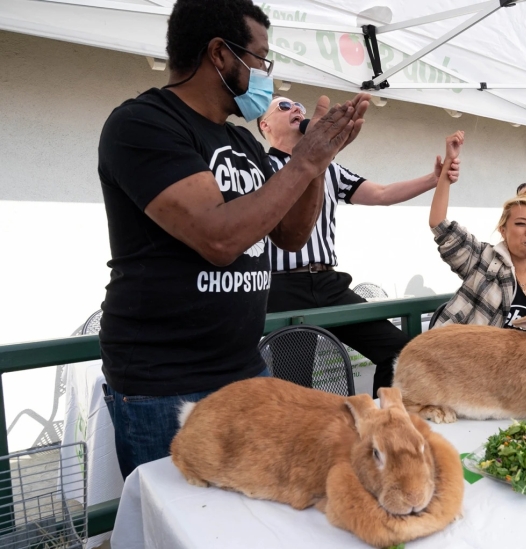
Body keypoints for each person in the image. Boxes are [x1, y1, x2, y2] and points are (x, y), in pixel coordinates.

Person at [97, 0, 370, 478]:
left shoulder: (243, 141)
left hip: (245, 369)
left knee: (257, 508)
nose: (266, 73)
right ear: (220, 54)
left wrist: (318, 162)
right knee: (180, 515)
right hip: (165, 385)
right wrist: (304, 160)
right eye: (261, 58)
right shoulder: (144, 124)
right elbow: (219, 240)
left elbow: (291, 234)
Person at [258, 97, 460, 397]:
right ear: (265, 125)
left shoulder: (330, 169)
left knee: (398, 352)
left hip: (328, 282)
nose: (297, 109)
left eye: (299, 105)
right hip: (283, 286)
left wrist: (434, 178)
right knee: (295, 383)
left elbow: (381, 193)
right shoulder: (259, 166)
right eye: (284, 106)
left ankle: (384, 418)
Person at [429, 132, 526, 329]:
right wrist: (448, 165)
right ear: (503, 230)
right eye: (521, 223)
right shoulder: (483, 259)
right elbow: (439, 224)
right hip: (471, 348)